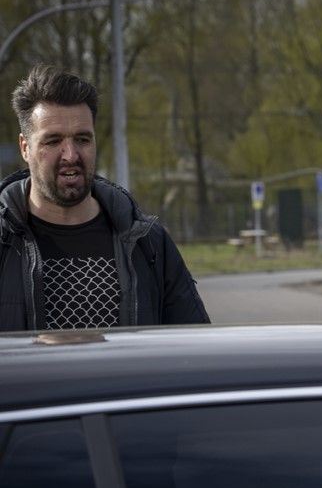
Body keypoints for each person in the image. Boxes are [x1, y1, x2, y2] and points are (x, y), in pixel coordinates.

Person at [0, 65, 210, 331]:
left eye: (82, 139)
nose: (71, 155)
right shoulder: (4, 242)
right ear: (25, 147)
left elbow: (192, 351)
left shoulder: (150, 244)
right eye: (53, 141)